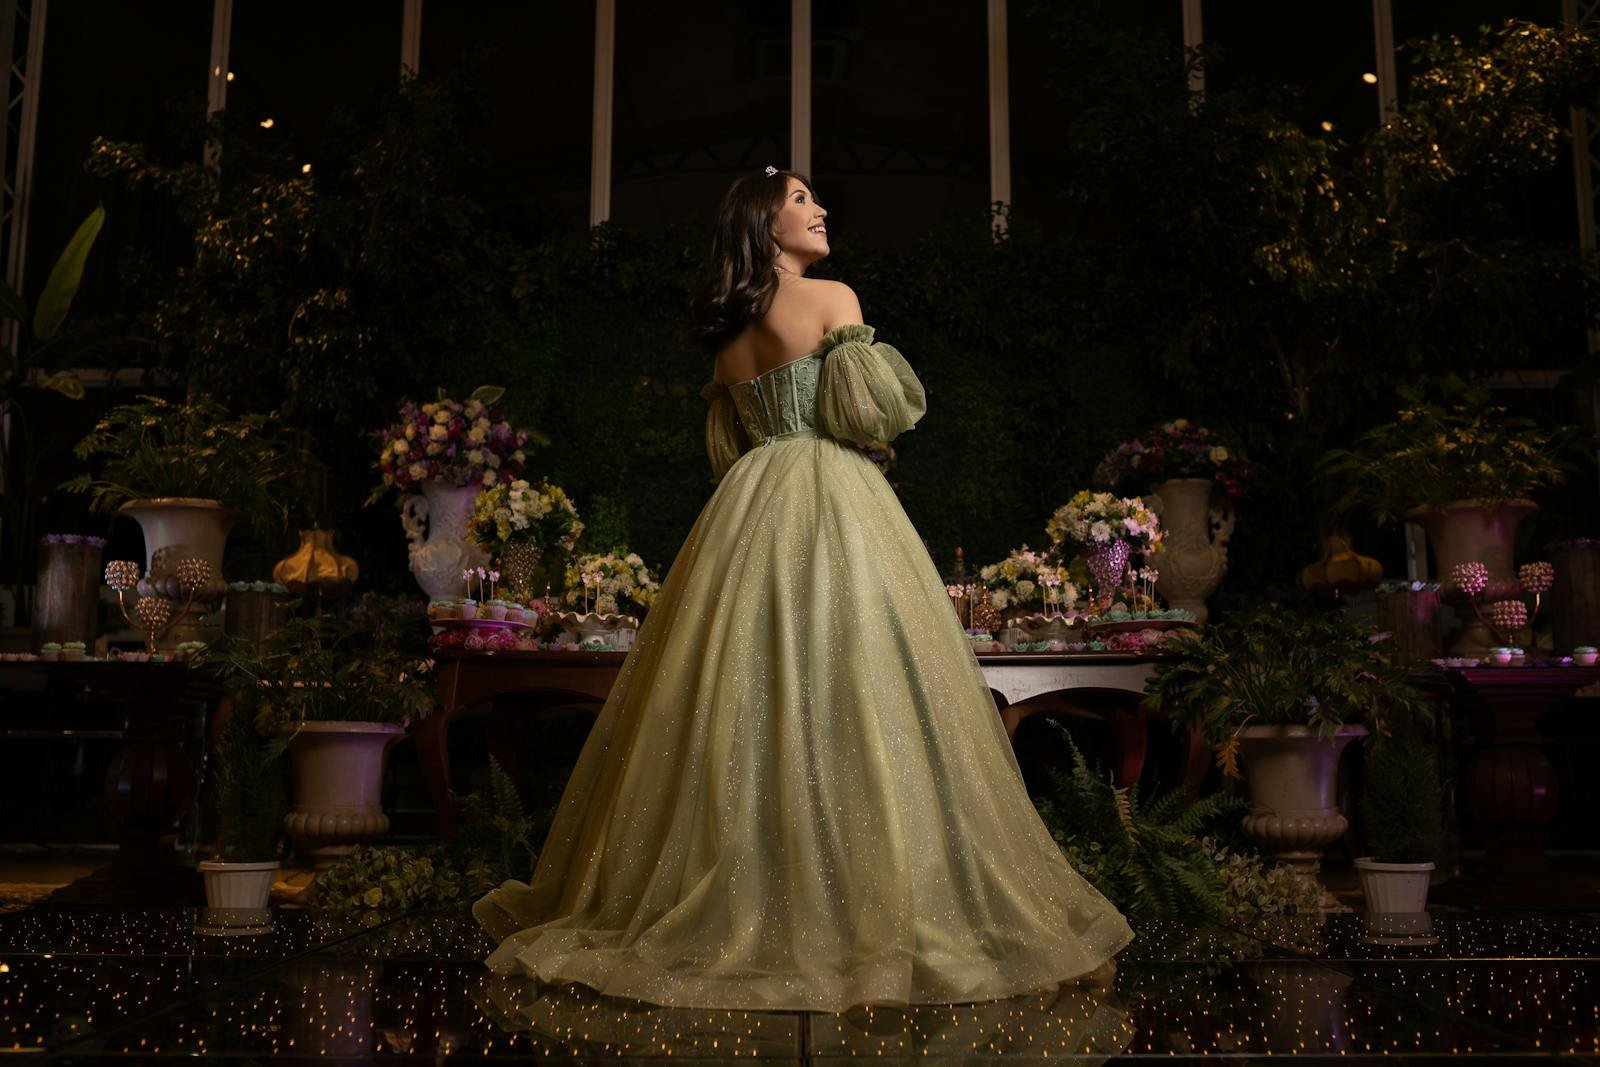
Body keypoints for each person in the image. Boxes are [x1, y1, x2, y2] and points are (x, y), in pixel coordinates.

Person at [472, 167, 1133, 1014]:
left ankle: (746, 884)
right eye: (799, 200)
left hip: (746, 511)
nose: (820, 210)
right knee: (859, 685)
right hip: (830, 498)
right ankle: (863, 898)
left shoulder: (729, 337)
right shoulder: (832, 299)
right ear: (764, 222)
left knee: (739, 696)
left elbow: (730, 447)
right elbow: (868, 417)